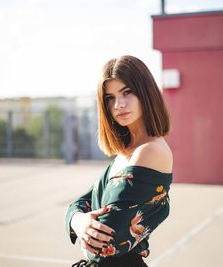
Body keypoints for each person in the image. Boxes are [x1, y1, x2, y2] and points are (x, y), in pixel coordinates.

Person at [65, 55, 173, 267]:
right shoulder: (125, 153)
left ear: (146, 93)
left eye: (127, 92)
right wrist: (79, 221)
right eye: (110, 98)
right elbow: (78, 205)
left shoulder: (150, 151)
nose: (118, 105)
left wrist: (80, 223)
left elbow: (101, 245)